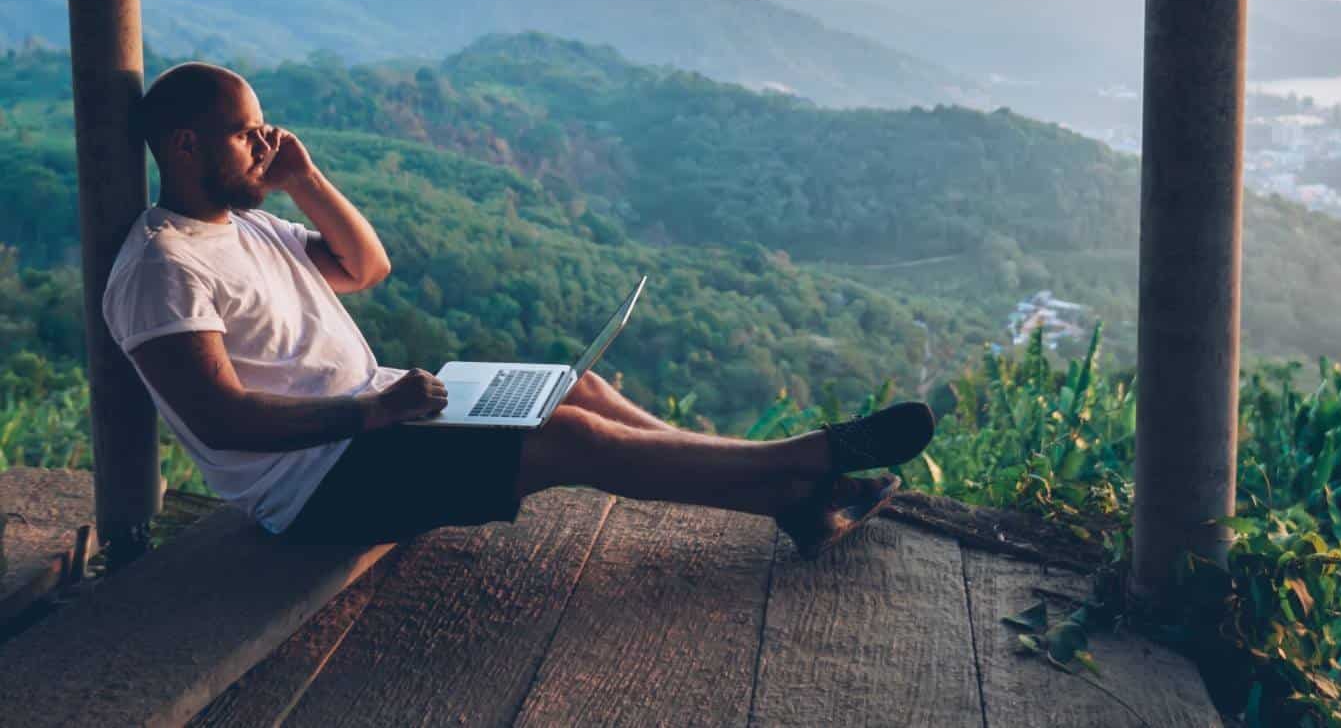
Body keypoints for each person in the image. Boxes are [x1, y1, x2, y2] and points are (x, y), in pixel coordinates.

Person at [102, 61, 935, 553]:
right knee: (566, 436)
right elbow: (223, 420)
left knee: (578, 393)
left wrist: (304, 178)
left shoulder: (248, 223)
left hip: (384, 418)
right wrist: (368, 411)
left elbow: (367, 264)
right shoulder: (161, 266)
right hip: (318, 486)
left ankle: (793, 497)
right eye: (250, 134)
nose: (266, 144)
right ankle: (799, 460)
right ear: (185, 146)